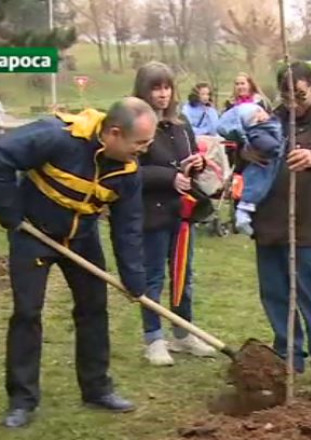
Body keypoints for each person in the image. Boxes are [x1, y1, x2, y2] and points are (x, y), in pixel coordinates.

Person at [0, 97, 157, 428]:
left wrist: (134, 281)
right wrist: (9, 212)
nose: (144, 150)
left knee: (94, 308)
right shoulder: (57, 136)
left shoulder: (128, 171)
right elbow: (3, 155)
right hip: (33, 234)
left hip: (82, 238)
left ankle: (97, 388)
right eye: (140, 143)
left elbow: (128, 227)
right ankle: (22, 400)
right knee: (27, 313)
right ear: (114, 133)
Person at [243, 61, 311, 388]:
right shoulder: (270, 119)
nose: (293, 104)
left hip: (305, 224)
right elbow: (244, 149)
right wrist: (246, 152)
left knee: (310, 294)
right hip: (268, 221)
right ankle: (288, 356)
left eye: (300, 96)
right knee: (275, 294)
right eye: (287, 96)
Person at [133, 61, 216, 366]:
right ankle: (154, 338)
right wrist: (169, 178)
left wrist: (196, 165)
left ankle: (183, 333)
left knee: (184, 275)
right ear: (144, 91)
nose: (163, 93)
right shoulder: (135, 125)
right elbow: (131, 171)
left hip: (182, 215)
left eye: (167, 87)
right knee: (153, 276)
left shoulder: (181, 125)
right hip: (151, 214)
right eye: (156, 87)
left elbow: (188, 159)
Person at [216, 102, 284, 235]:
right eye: (256, 114)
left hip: (279, 179)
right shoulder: (259, 131)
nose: (262, 115)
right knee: (256, 181)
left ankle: (244, 211)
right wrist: (276, 150)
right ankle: (244, 210)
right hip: (266, 173)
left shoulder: (274, 123)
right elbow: (269, 146)